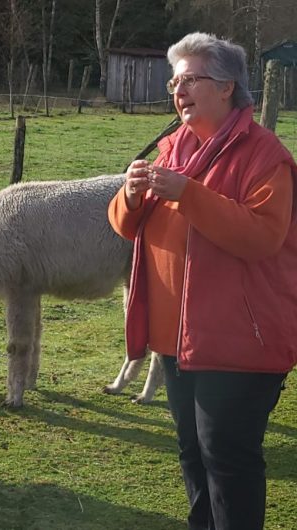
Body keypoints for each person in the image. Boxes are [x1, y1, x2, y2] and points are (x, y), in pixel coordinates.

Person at [108, 32, 297, 530]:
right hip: (177, 342)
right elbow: (127, 226)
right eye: (175, 82)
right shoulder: (173, 148)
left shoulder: (265, 156)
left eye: (190, 80)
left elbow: (263, 237)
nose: (179, 91)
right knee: (192, 451)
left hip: (239, 341)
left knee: (227, 460)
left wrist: (188, 194)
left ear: (227, 87)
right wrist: (129, 195)